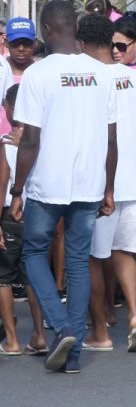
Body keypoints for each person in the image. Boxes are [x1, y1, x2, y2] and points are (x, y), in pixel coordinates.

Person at [10, 6, 118, 373]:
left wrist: (17, 189)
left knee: (34, 254)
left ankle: (62, 327)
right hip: (89, 184)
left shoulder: (38, 74)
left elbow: (30, 140)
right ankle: (71, 357)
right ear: (75, 28)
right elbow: (111, 137)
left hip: (47, 186)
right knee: (76, 262)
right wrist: (108, 188)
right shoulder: (103, 74)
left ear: (45, 29)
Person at [81, 26, 136, 352]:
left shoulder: (89, 79)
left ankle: (100, 330)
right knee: (125, 253)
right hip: (133, 182)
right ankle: (133, 316)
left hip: (102, 185)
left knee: (93, 258)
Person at [0, 84, 49, 356]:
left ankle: (11, 339)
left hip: (10, 216)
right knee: (33, 276)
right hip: (38, 213)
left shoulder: (6, 146)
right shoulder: (44, 143)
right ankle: (39, 335)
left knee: (3, 278)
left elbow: (1, 186)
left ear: (9, 109)